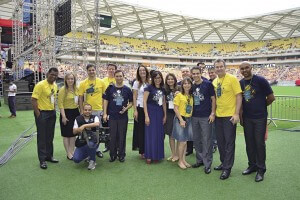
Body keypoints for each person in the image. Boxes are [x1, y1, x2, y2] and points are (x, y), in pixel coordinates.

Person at [239, 62, 275, 182]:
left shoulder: (261, 80)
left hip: (260, 117)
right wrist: (241, 116)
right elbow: (241, 102)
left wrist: (261, 106)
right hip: (247, 118)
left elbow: (271, 97)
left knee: (259, 144)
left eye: (247, 68)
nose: (244, 70)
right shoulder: (241, 83)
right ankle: (252, 165)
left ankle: (261, 169)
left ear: (251, 68)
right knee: (249, 143)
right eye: (242, 69)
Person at [212, 59, 242, 180]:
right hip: (219, 115)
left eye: (221, 66)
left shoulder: (232, 79)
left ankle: (227, 168)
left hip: (230, 116)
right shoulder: (215, 81)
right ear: (215, 69)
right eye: (217, 67)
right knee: (220, 142)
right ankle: (223, 162)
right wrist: (213, 113)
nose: (219, 68)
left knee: (229, 142)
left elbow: (239, 96)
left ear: (225, 67)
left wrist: (236, 113)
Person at [31, 67, 59, 169]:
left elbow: (53, 98)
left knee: (50, 136)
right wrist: (38, 114)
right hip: (42, 113)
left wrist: (54, 109)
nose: (53, 77)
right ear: (47, 74)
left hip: (51, 113)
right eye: (52, 74)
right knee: (42, 137)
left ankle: (49, 156)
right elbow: (34, 100)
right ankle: (42, 159)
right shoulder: (40, 85)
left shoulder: (55, 85)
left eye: (55, 75)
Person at [103, 70, 133, 162]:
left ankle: (121, 155)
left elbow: (131, 102)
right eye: (117, 76)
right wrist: (104, 113)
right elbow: (106, 100)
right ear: (114, 77)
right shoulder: (110, 88)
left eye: (120, 76)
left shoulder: (127, 89)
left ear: (123, 77)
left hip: (123, 117)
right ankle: (112, 155)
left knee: (122, 136)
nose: (119, 78)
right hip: (112, 116)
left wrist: (126, 108)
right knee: (112, 136)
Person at [191, 66, 216, 174]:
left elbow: (213, 99)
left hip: (206, 116)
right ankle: (199, 160)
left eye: (197, 73)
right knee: (197, 140)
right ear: (192, 74)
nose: (196, 75)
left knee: (207, 140)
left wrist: (213, 113)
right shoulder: (191, 86)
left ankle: (207, 163)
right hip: (194, 116)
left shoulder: (208, 84)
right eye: (194, 73)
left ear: (201, 73)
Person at [78, 64, 106, 158]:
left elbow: (105, 97)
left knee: (98, 131)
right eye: (89, 70)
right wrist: (82, 110)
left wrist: (104, 110)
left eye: (93, 70)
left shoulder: (101, 82)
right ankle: (88, 149)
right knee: (88, 131)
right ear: (87, 71)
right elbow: (80, 97)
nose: (91, 71)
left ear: (96, 70)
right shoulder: (83, 83)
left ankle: (96, 150)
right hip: (87, 111)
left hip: (99, 110)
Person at [143, 71, 166, 164]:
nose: (158, 79)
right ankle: (149, 155)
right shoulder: (148, 87)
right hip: (151, 112)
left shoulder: (163, 89)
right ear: (153, 79)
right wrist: (146, 116)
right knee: (150, 134)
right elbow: (144, 101)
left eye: (159, 78)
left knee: (159, 134)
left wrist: (165, 115)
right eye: (156, 78)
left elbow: (164, 102)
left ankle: (157, 155)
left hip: (159, 112)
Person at [58, 73, 80, 160]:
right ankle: (68, 153)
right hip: (66, 112)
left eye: (72, 79)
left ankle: (72, 151)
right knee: (66, 134)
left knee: (73, 133)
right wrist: (63, 116)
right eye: (68, 79)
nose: (70, 80)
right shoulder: (63, 90)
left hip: (75, 112)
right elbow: (60, 104)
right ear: (66, 80)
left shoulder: (76, 89)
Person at [173, 77, 194, 169]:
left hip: (189, 119)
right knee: (182, 141)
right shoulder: (179, 95)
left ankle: (183, 159)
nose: (187, 85)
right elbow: (175, 108)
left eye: (188, 83)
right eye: (184, 83)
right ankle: (180, 161)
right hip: (180, 119)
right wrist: (181, 120)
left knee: (185, 141)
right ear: (182, 85)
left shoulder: (191, 96)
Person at [73, 104, 100, 170]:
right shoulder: (78, 118)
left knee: (90, 144)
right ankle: (90, 154)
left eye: (89, 110)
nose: (87, 111)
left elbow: (97, 124)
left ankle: (92, 161)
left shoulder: (95, 117)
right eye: (85, 110)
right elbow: (74, 132)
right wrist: (79, 129)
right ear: (83, 110)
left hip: (92, 141)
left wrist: (84, 126)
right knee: (76, 159)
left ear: (92, 111)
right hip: (81, 142)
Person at [132, 65, 150, 158]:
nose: (142, 72)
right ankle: (142, 150)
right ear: (138, 72)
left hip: (149, 108)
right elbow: (134, 97)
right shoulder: (136, 83)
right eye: (140, 70)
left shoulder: (150, 82)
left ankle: (149, 148)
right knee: (140, 130)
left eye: (144, 70)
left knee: (148, 130)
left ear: (146, 71)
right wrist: (135, 110)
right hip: (139, 108)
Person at [178, 67, 194, 156]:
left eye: (187, 71)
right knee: (183, 136)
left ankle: (190, 148)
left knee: (190, 132)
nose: (185, 73)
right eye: (183, 71)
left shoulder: (194, 84)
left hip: (192, 113)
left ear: (190, 72)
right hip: (182, 114)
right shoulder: (179, 84)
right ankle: (185, 151)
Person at [101, 63, 117, 153]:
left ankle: (116, 146)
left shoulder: (118, 79)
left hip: (115, 106)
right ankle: (108, 145)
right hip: (106, 106)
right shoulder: (103, 81)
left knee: (115, 127)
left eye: (113, 69)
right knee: (106, 127)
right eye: (110, 69)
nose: (111, 70)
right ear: (107, 70)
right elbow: (103, 96)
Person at [164, 73, 179, 162]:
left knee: (178, 135)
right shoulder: (164, 90)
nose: (170, 81)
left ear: (175, 80)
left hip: (178, 114)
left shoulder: (179, 88)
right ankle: (173, 154)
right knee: (171, 135)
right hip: (169, 114)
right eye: (168, 79)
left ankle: (178, 154)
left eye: (172, 79)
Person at [208, 67, 218, 153]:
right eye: (210, 73)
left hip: (219, 108)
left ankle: (215, 143)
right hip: (211, 108)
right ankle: (213, 143)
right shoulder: (208, 82)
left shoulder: (219, 81)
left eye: (212, 72)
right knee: (212, 127)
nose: (211, 74)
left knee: (215, 127)